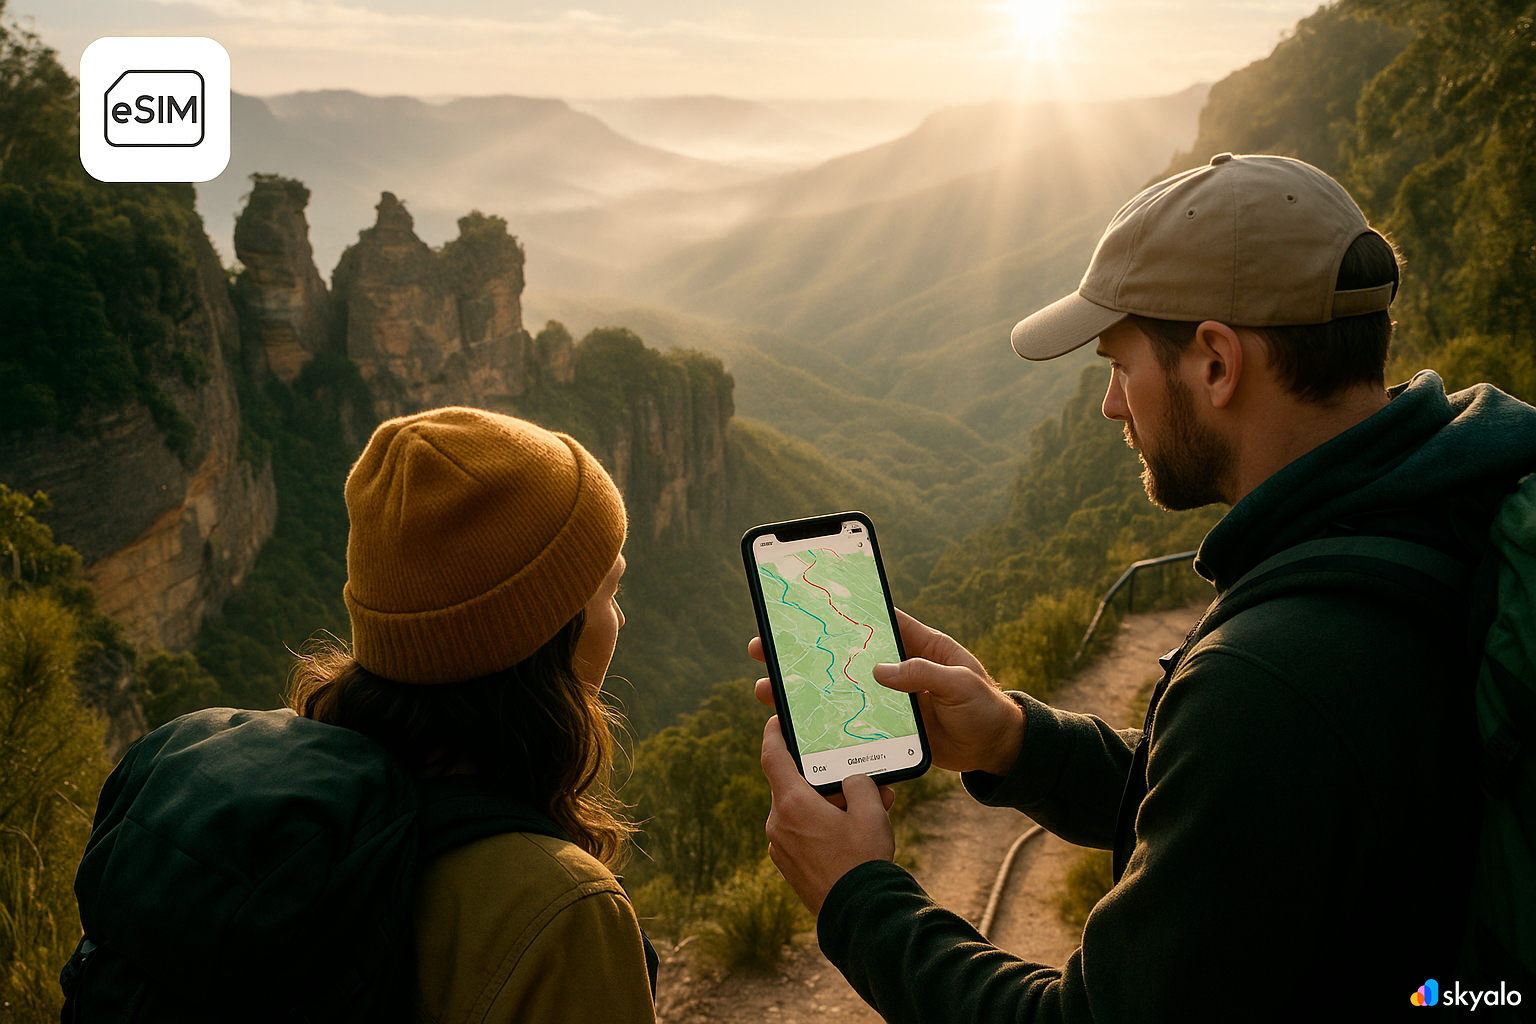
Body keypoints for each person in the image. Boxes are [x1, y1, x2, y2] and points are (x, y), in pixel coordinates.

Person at [751, 153, 1536, 1020]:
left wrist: (856, 896)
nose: (1112, 406)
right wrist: (1015, 742)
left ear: (1215, 364)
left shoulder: (1271, 678)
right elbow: (1257, 810)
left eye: (1119, 365)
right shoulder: (1456, 496)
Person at [290, 406, 656, 1023]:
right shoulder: (564, 908)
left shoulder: (297, 816)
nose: (622, 619)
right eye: (610, 591)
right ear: (542, 633)